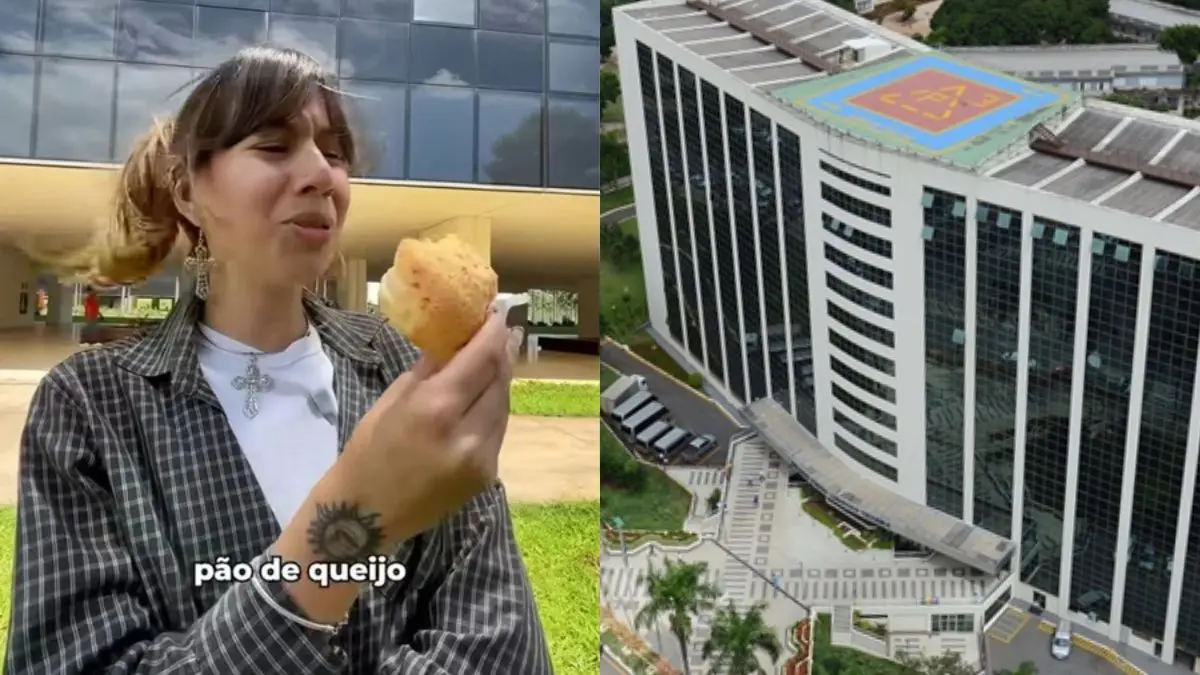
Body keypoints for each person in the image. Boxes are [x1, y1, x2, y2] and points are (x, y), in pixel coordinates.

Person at [7, 46, 552, 674]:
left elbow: (505, 647)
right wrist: (354, 516)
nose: (322, 174)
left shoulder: (413, 367)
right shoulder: (90, 408)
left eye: (336, 151)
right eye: (273, 145)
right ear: (188, 192)